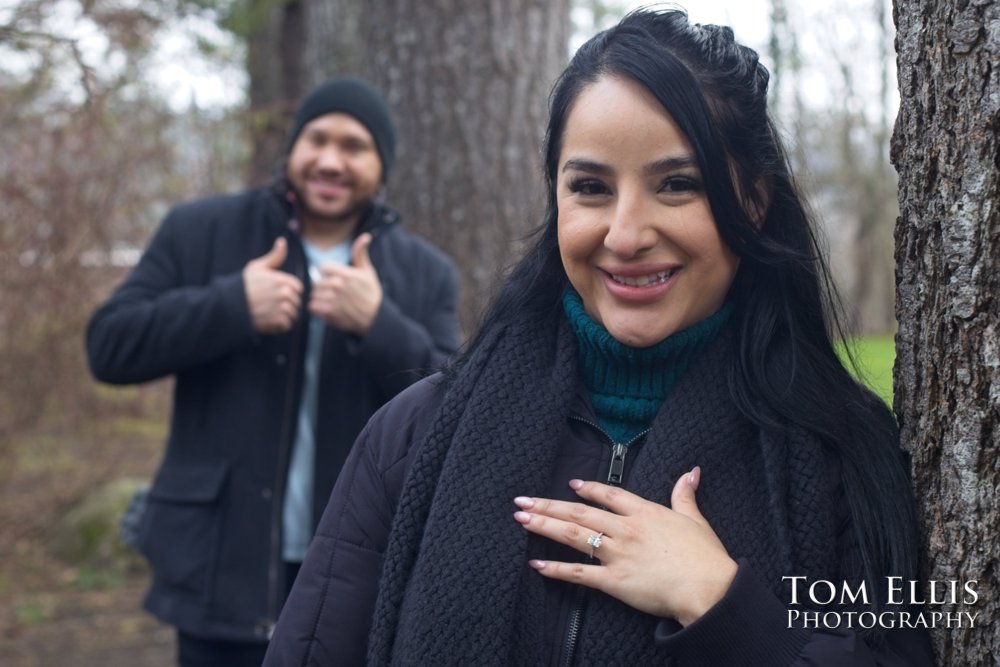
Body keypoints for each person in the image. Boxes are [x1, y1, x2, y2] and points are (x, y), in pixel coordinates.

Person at [263, 10, 935, 667]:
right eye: (590, 186)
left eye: (677, 184)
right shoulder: (414, 437)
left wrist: (721, 604)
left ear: (754, 202)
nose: (625, 234)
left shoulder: (842, 457)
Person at [86, 76, 460, 666]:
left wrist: (378, 325)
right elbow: (109, 346)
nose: (331, 160)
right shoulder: (201, 230)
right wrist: (231, 305)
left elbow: (455, 410)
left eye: (355, 146)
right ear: (292, 149)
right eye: (317, 139)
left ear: (381, 165)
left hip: (351, 563)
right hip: (218, 563)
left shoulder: (423, 272)